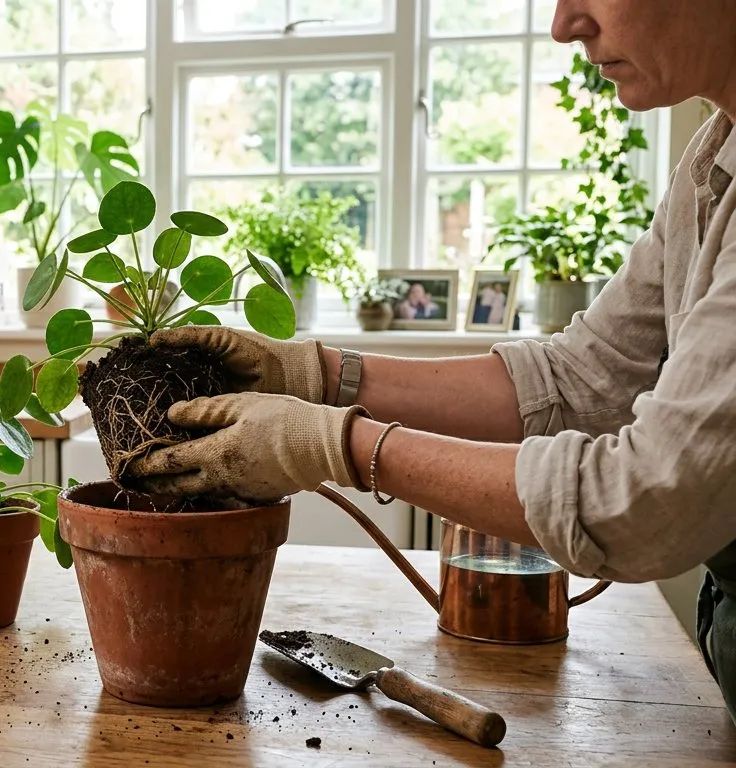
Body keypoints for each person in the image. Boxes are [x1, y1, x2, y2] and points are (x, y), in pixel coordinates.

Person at [129, 0, 736, 721]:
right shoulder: (711, 159)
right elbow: (584, 377)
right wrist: (317, 375)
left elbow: (643, 499)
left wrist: (332, 444)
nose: (563, 24)